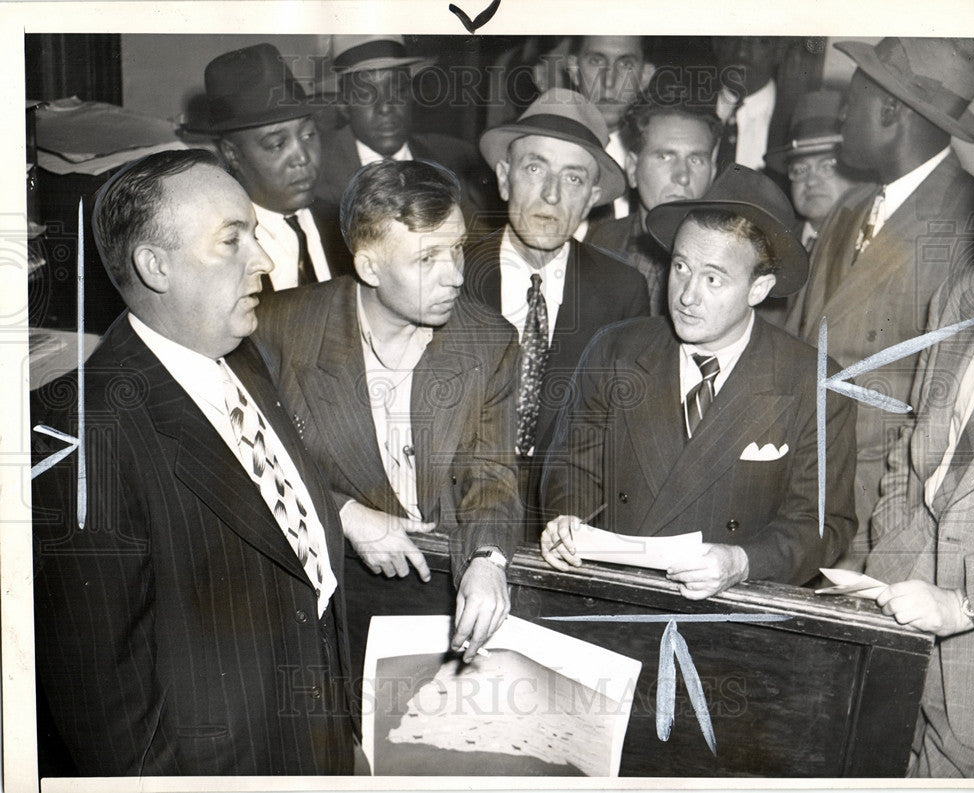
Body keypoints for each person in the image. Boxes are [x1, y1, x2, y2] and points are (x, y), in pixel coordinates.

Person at [31, 150, 356, 775]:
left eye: (254, 236)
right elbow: (107, 708)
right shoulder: (80, 433)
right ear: (155, 267)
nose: (261, 261)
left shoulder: (241, 352)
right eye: (231, 241)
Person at [540, 165, 857, 598]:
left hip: (728, 610)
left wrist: (743, 562)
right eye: (681, 267)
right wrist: (566, 517)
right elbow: (572, 465)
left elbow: (824, 524)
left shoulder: (813, 383)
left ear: (758, 288)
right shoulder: (616, 349)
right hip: (608, 591)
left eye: (713, 279)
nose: (687, 296)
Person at [252, 159, 521, 662]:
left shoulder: (490, 341)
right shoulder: (276, 330)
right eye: (427, 260)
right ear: (369, 266)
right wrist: (343, 512)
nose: (456, 277)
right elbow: (245, 460)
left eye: (458, 249)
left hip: (443, 587)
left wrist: (487, 560)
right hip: (316, 594)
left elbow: (491, 475)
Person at [785, 37, 974, 566]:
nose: (842, 113)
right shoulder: (850, 207)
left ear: (891, 108)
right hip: (804, 494)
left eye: (853, 99)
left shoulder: (972, 222)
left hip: (886, 516)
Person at [463, 87, 649, 540]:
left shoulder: (622, 291)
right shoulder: (454, 275)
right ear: (505, 178)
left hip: (567, 528)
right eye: (534, 169)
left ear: (591, 199)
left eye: (572, 179)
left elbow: (621, 434)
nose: (550, 195)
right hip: (459, 515)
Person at [866, 264, 974, 777]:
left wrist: (967, 606)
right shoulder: (966, 291)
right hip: (900, 600)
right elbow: (919, 432)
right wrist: (892, 535)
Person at [192, 43, 352, 289]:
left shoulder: (345, 225)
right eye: (277, 144)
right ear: (232, 154)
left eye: (309, 135)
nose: (302, 157)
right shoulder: (215, 252)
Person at [313, 35, 501, 234]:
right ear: (343, 104)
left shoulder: (453, 160)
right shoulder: (315, 173)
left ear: (412, 93)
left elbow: (478, 244)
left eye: (397, 89)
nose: (385, 107)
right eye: (365, 94)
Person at [589, 90, 720, 313]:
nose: (683, 176)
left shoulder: (731, 254)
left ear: (712, 173)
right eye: (665, 157)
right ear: (632, 168)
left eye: (696, 160)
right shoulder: (601, 241)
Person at [757, 89, 865, 325]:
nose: (811, 180)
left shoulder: (869, 249)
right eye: (800, 169)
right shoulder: (768, 249)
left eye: (828, 166)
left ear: (859, 175)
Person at [566, 35, 655, 222]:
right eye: (596, 61)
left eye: (626, 65)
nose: (609, 81)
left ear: (645, 76)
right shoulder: (544, 151)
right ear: (574, 70)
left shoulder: (657, 159)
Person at [712, 36, 790, 173]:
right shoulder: (686, 109)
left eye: (759, 39)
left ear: (780, 50)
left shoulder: (795, 120)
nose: (741, 52)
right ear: (716, 43)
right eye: (732, 36)